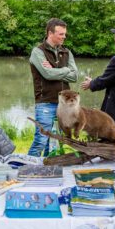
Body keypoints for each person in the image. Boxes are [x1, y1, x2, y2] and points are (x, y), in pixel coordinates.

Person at [28, 18, 78, 156]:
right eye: (61, 34)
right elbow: (48, 74)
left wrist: (58, 71)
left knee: (58, 142)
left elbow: (75, 76)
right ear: (50, 33)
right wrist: (66, 70)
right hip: (45, 102)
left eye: (64, 34)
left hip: (65, 105)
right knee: (41, 140)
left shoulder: (67, 52)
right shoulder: (38, 52)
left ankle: (50, 171)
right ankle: (27, 170)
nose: (64, 37)